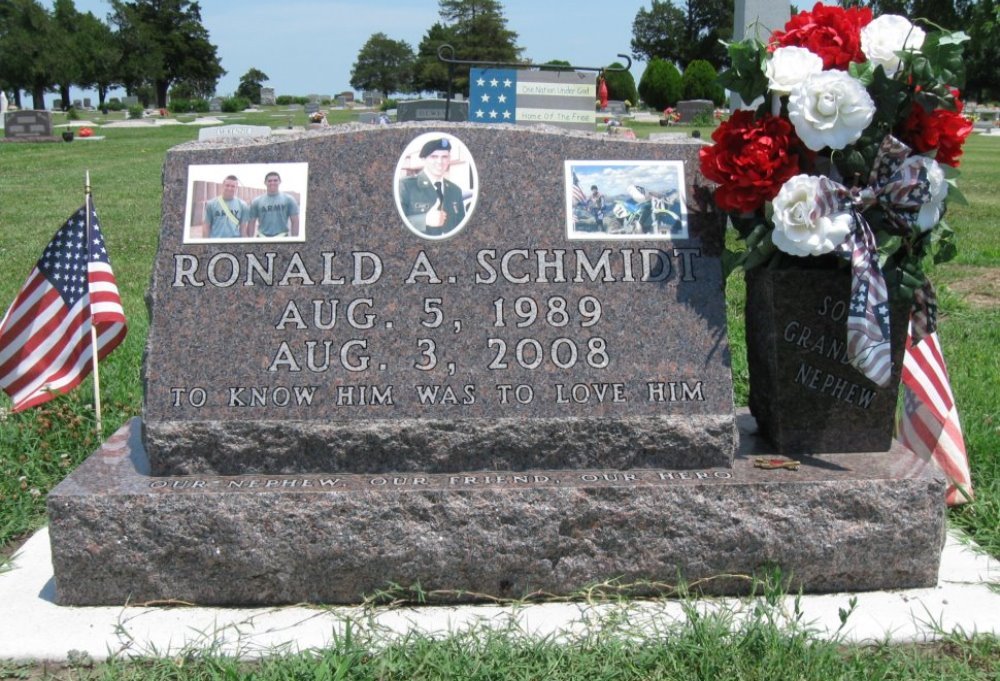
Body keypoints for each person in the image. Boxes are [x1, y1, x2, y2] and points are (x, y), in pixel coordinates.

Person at [399, 137, 466, 236]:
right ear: (424, 159)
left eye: (444, 157)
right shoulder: (405, 186)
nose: (440, 161)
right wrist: (424, 220)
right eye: (434, 156)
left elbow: (462, 227)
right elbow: (393, 225)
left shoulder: (455, 190)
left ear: (449, 159)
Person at [247, 171, 300, 238]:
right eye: (269, 181)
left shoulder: (289, 199)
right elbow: (251, 222)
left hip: (282, 237)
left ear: (280, 182)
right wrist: (250, 241)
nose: (272, 183)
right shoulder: (256, 201)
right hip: (262, 237)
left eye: (275, 180)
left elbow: (295, 221)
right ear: (265, 182)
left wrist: (294, 241)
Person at [201, 175, 250, 239]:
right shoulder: (211, 204)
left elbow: (243, 228)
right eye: (227, 185)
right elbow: (206, 226)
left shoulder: (243, 205)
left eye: (233, 186)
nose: (230, 188)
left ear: (236, 188)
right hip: (216, 241)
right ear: (223, 185)